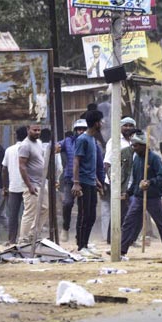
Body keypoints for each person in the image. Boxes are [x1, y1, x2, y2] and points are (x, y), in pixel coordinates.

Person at [120, 133, 162, 260]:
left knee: (161, 224)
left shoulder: (154, 159)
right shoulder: (137, 159)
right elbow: (135, 181)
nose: (134, 148)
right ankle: (122, 250)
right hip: (138, 197)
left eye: (136, 145)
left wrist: (150, 182)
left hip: (153, 198)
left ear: (144, 146)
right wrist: (128, 192)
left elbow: (161, 176)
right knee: (128, 222)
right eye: (133, 145)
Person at [72, 109, 105, 255]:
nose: (102, 123)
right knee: (84, 214)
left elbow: (89, 163)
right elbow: (76, 161)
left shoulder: (92, 139)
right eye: (101, 121)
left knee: (91, 215)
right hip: (83, 182)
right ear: (96, 123)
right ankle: (81, 246)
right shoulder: (82, 139)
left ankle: (85, 242)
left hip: (91, 181)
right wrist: (76, 182)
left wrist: (96, 180)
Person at [17, 124, 48, 245]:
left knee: (45, 208)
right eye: (34, 130)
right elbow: (22, 166)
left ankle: (33, 235)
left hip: (42, 182)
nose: (37, 132)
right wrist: (29, 185)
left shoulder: (39, 143)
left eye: (39, 130)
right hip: (32, 184)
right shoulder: (25, 145)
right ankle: (23, 239)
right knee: (30, 212)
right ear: (28, 130)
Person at [59, 119, 87, 242]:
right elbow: (56, 145)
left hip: (85, 179)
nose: (81, 131)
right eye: (79, 129)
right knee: (67, 203)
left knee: (84, 207)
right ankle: (65, 228)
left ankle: (80, 235)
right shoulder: (68, 141)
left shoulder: (91, 142)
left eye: (83, 129)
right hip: (69, 178)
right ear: (75, 130)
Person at [2, 126, 28, 245]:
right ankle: (25, 239)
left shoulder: (9, 150)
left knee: (13, 215)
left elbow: (4, 169)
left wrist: (5, 187)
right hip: (28, 186)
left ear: (16, 136)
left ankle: (12, 239)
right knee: (27, 214)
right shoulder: (29, 148)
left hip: (13, 187)